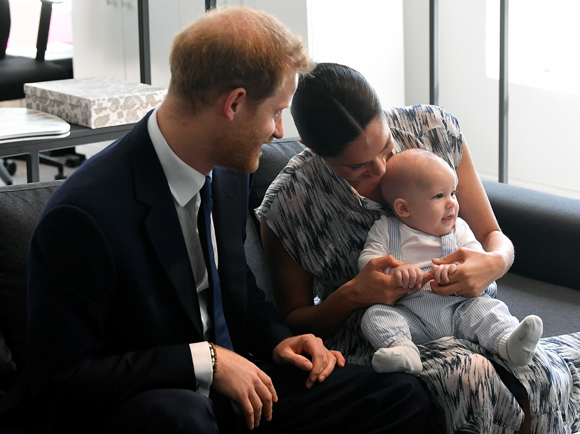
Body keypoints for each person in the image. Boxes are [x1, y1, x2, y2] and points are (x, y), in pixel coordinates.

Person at [26, 7, 431, 434]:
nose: (278, 132)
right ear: (234, 103)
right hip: (162, 405)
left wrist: (279, 340)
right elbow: (60, 380)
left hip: (243, 393)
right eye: (276, 111)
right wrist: (207, 361)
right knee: (183, 419)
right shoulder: (83, 216)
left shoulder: (230, 175)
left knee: (400, 395)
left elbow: (236, 290)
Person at [258, 62, 580, 433]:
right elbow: (294, 320)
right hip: (381, 334)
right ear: (311, 148)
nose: (380, 170)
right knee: (470, 374)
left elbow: (493, 235)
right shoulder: (290, 202)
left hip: (462, 308)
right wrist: (353, 294)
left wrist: (493, 264)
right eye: (357, 167)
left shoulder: (432, 131)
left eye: (385, 147)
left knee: (535, 367)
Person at [358, 148, 543, 376]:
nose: (452, 204)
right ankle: (403, 351)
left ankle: (508, 343)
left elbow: (477, 258)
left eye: (453, 193)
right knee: (375, 316)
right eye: (439, 196)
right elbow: (367, 262)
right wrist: (395, 270)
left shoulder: (459, 229)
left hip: (460, 309)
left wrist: (458, 269)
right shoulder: (386, 229)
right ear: (403, 208)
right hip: (410, 314)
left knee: (489, 310)